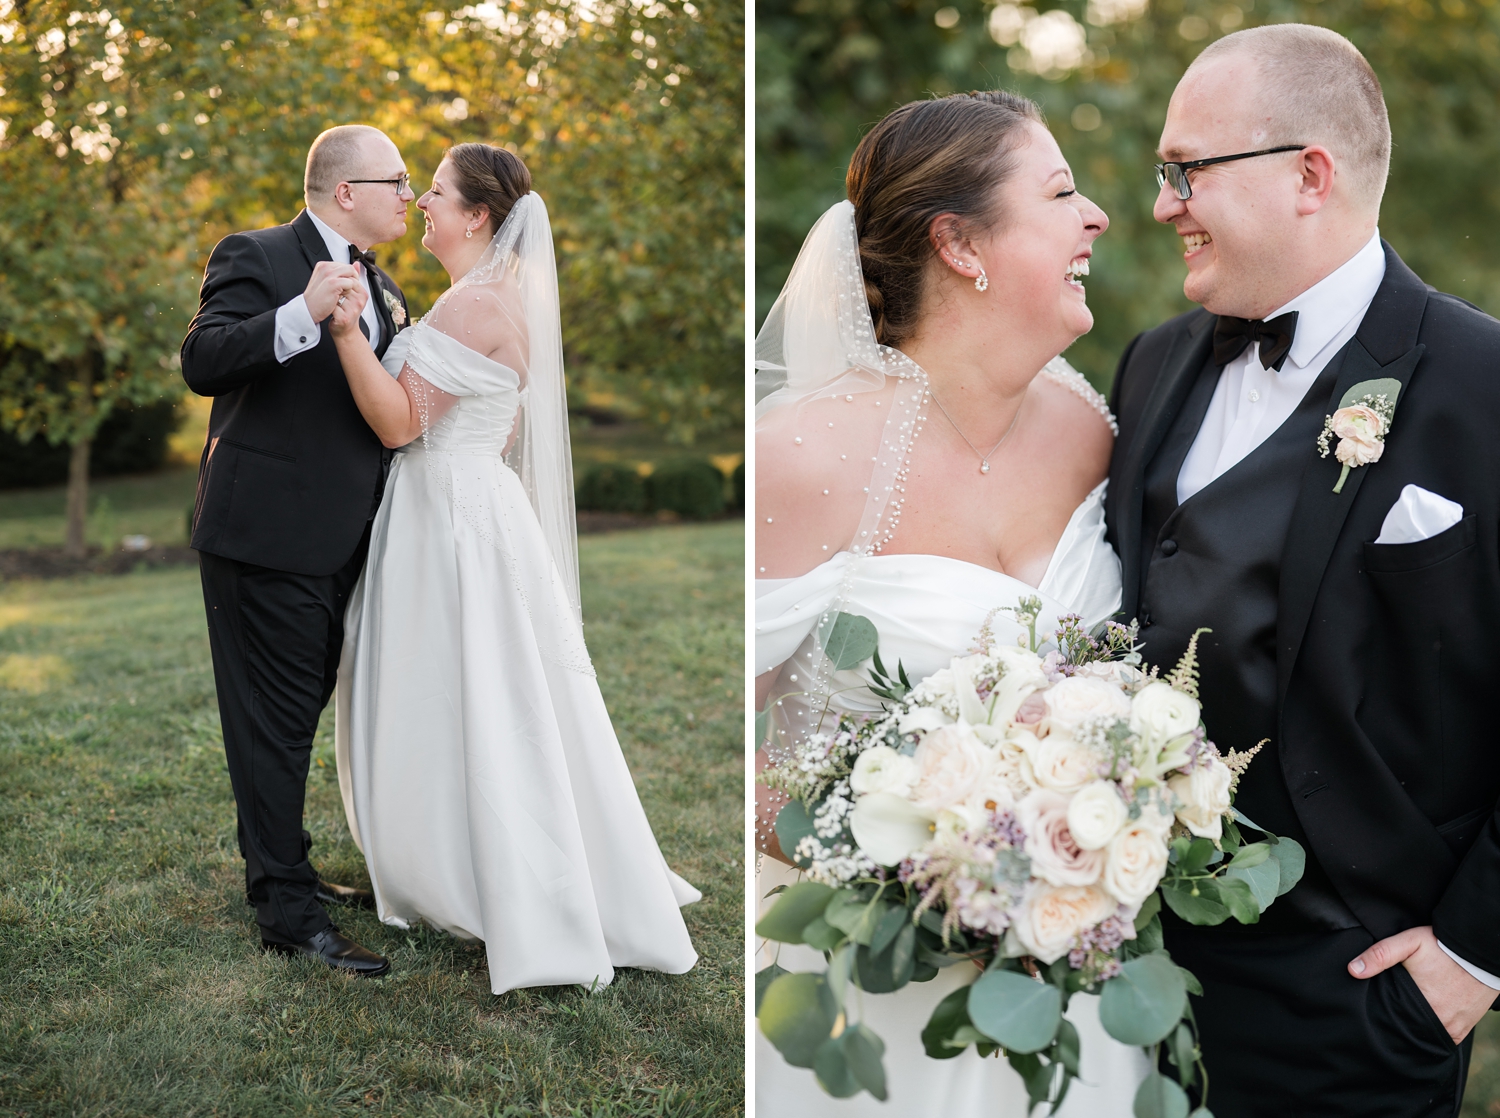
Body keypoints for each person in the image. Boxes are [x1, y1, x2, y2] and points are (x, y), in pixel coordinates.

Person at [1106, 24, 1500, 1116]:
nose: (1161, 203)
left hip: (1358, 989)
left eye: (1186, 170)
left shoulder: (1486, 385)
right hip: (1122, 966)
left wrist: (1468, 960)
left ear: (1308, 176)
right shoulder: (1153, 363)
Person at [754, 91, 1146, 1114]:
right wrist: (920, 860)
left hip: (1067, 986)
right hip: (865, 980)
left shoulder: (1093, 427)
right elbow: (732, 744)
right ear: (960, 243)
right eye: (1061, 193)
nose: (1097, 215)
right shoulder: (801, 456)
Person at [325, 143, 699, 994]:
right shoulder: (489, 299)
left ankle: (472, 867)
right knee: (484, 689)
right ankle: (462, 850)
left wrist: (345, 332)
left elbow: (396, 425)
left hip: (446, 517)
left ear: (478, 217)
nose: (422, 200)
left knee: (464, 689)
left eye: (439, 193)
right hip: (467, 506)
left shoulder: (472, 308)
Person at [182, 124, 416, 976]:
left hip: (341, 541)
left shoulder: (384, 285)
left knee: (293, 720)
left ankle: (289, 868)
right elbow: (202, 360)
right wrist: (300, 313)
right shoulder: (258, 254)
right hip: (265, 535)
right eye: (397, 179)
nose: (410, 194)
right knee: (272, 726)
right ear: (344, 191)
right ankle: (286, 908)